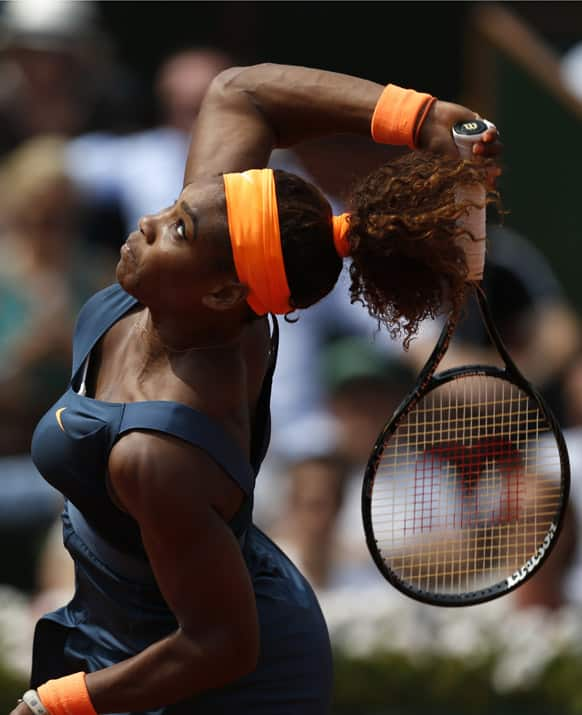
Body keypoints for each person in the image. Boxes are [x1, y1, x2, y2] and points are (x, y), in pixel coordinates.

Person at [13, 63, 501, 715]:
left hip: (226, 680)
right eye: (175, 208)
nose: (152, 222)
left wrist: (57, 703)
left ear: (223, 292)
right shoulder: (201, 278)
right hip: (138, 630)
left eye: (178, 229)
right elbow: (239, 92)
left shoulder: (159, 449)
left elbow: (221, 645)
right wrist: (420, 116)